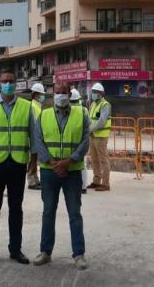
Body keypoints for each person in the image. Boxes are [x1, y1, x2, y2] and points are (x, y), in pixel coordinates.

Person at [0, 70, 36, 266]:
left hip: (18, 164)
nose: (8, 84)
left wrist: (33, 161)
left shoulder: (26, 106)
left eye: (11, 81)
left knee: (16, 209)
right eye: (4, 81)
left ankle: (15, 249)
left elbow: (33, 135)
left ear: (16, 83)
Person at [32, 83, 90, 269]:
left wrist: (69, 161)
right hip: (49, 171)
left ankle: (78, 254)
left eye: (63, 92)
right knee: (48, 212)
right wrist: (52, 162)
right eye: (57, 92)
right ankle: (45, 252)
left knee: (75, 213)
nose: (60, 95)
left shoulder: (81, 114)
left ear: (69, 94)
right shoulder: (44, 115)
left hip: (72, 171)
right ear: (52, 94)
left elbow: (85, 140)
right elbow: (38, 140)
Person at [87, 82, 112, 191]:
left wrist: (90, 129)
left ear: (101, 93)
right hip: (93, 136)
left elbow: (101, 121)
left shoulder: (105, 105)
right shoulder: (93, 104)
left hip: (101, 136)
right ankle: (96, 181)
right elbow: (90, 119)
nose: (93, 94)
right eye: (93, 92)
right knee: (94, 160)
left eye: (95, 92)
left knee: (103, 160)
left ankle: (105, 184)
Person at [27, 83, 46, 190]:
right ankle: (31, 181)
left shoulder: (38, 106)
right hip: (33, 137)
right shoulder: (33, 106)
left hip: (37, 137)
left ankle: (36, 179)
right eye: (41, 94)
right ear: (35, 95)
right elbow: (33, 124)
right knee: (32, 160)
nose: (43, 96)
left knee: (34, 160)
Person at [71, 88, 89, 194]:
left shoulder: (67, 109)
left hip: (70, 141)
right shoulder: (84, 110)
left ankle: (72, 185)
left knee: (71, 164)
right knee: (83, 164)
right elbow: (88, 126)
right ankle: (83, 186)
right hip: (82, 141)